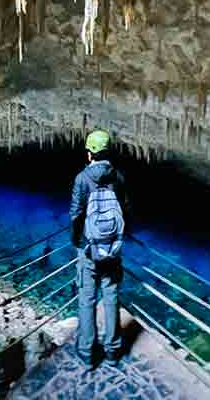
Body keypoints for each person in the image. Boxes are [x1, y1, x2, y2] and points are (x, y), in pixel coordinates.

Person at [69, 129, 130, 369]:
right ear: (107, 152)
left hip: (89, 249)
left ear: (89, 153)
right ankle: (113, 351)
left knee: (86, 298)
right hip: (112, 249)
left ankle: (87, 353)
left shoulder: (82, 178)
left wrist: (77, 241)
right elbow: (126, 209)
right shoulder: (118, 176)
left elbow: (75, 213)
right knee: (111, 295)